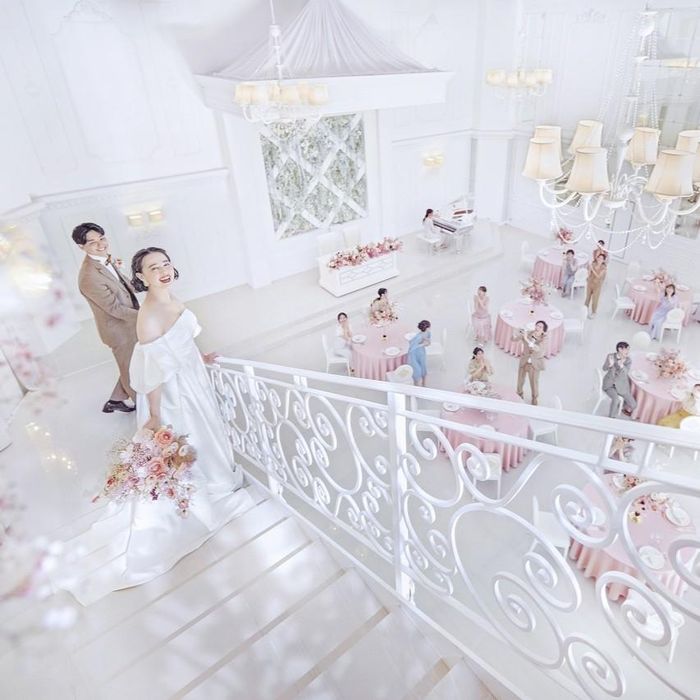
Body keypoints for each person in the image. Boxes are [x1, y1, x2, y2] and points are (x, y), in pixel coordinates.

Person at [60, 247, 250, 604]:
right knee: (193, 437)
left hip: (191, 376)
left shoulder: (170, 298)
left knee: (208, 429)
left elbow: (181, 340)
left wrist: (199, 357)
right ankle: (213, 483)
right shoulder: (147, 316)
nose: (163, 271)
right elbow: (154, 370)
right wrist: (155, 414)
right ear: (140, 277)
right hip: (174, 391)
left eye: (165, 264)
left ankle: (219, 473)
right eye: (153, 268)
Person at [72, 222, 139, 413]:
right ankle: (144, 406)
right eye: (92, 242)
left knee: (134, 363)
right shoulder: (88, 276)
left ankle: (116, 400)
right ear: (81, 246)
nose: (101, 244)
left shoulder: (104, 260)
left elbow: (126, 288)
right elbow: (114, 308)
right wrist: (146, 316)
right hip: (119, 330)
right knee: (130, 369)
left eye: (101, 238)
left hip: (131, 321)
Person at [515, 320, 547, 405]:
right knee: (520, 379)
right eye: (537, 325)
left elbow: (538, 349)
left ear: (543, 330)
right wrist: (516, 333)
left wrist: (526, 339)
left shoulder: (544, 338)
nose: (537, 327)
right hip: (524, 360)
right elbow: (514, 339)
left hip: (534, 364)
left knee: (534, 382)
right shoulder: (528, 333)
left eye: (540, 327)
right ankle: (519, 394)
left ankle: (534, 397)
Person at [602, 341, 636, 418]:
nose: (628, 351)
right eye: (626, 349)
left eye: (628, 349)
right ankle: (611, 418)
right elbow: (604, 368)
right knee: (616, 399)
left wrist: (622, 366)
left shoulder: (628, 360)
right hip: (609, 385)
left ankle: (622, 406)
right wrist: (610, 365)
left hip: (621, 385)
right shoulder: (610, 356)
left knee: (633, 405)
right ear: (620, 349)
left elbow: (626, 372)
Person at [407, 320, 431, 387]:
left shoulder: (419, 336)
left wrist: (422, 344)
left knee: (420, 366)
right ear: (427, 328)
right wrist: (423, 343)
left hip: (418, 352)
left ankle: (420, 384)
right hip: (417, 352)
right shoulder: (421, 335)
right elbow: (427, 343)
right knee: (419, 367)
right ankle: (420, 383)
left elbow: (412, 346)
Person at [585, 251, 607, 318]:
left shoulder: (604, 268)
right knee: (587, 297)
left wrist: (592, 269)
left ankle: (594, 312)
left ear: (603, 260)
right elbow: (589, 274)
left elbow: (598, 276)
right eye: (599, 258)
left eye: (601, 258)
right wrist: (589, 269)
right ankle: (585, 310)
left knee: (595, 299)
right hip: (590, 283)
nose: (599, 259)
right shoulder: (593, 264)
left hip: (597, 285)